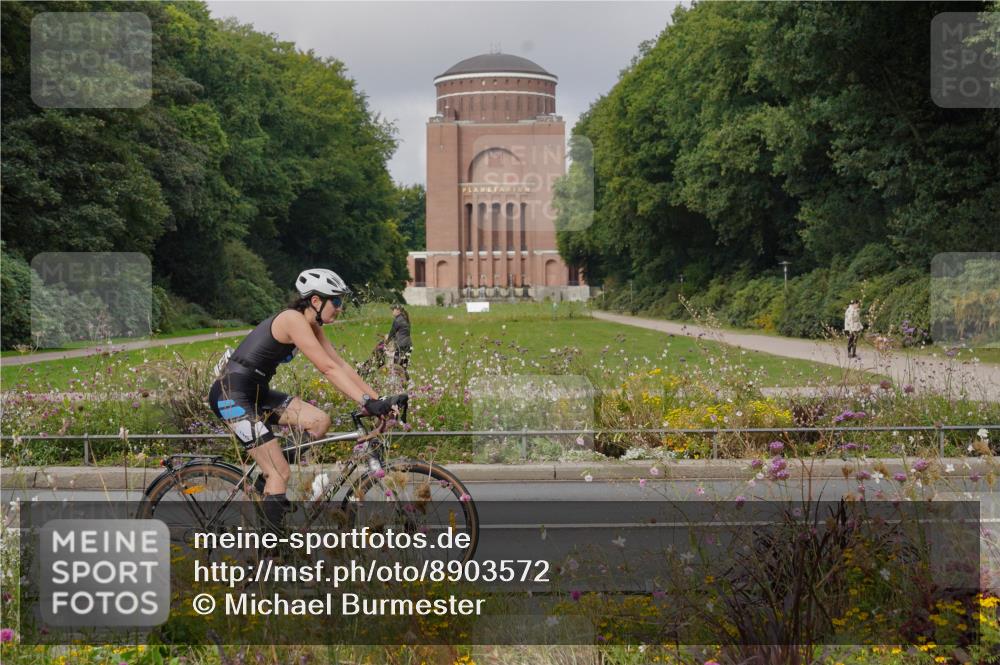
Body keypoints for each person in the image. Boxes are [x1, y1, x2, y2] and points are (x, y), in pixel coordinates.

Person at [208, 268, 398, 530]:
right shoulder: (291, 320)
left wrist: (380, 400)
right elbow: (327, 369)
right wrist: (366, 402)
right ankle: (270, 557)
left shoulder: (312, 326)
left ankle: (269, 486)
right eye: (337, 301)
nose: (340, 308)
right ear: (316, 301)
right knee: (280, 472)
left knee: (319, 421)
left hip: (256, 392)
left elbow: (340, 365)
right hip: (230, 395)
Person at [384, 304, 412, 382]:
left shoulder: (397, 320)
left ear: (398, 310)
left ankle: (393, 382)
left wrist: (387, 341)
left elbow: (392, 332)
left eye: (393, 310)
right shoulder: (406, 319)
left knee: (396, 365)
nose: (392, 312)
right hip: (408, 345)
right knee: (403, 366)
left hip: (401, 346)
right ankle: (408, 383)